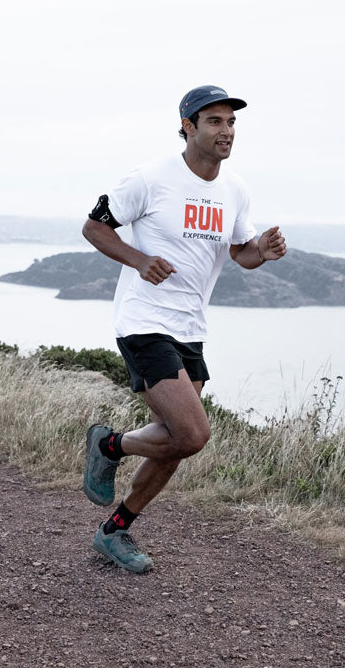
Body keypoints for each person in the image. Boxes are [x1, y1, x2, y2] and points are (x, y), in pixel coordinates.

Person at [80, 85, 287, 573]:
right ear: (188, 127)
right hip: (144, 321)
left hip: (190, 326)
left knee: (175, 442)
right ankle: (108, 445)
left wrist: (264, 248)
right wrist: (140, 259)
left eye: (231, 122)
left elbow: (241, 255)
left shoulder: (235, 188)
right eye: (214, 121)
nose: (226, 131)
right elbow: (94, 227)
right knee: (192, 435)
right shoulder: (151, 179)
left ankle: (115, 530)